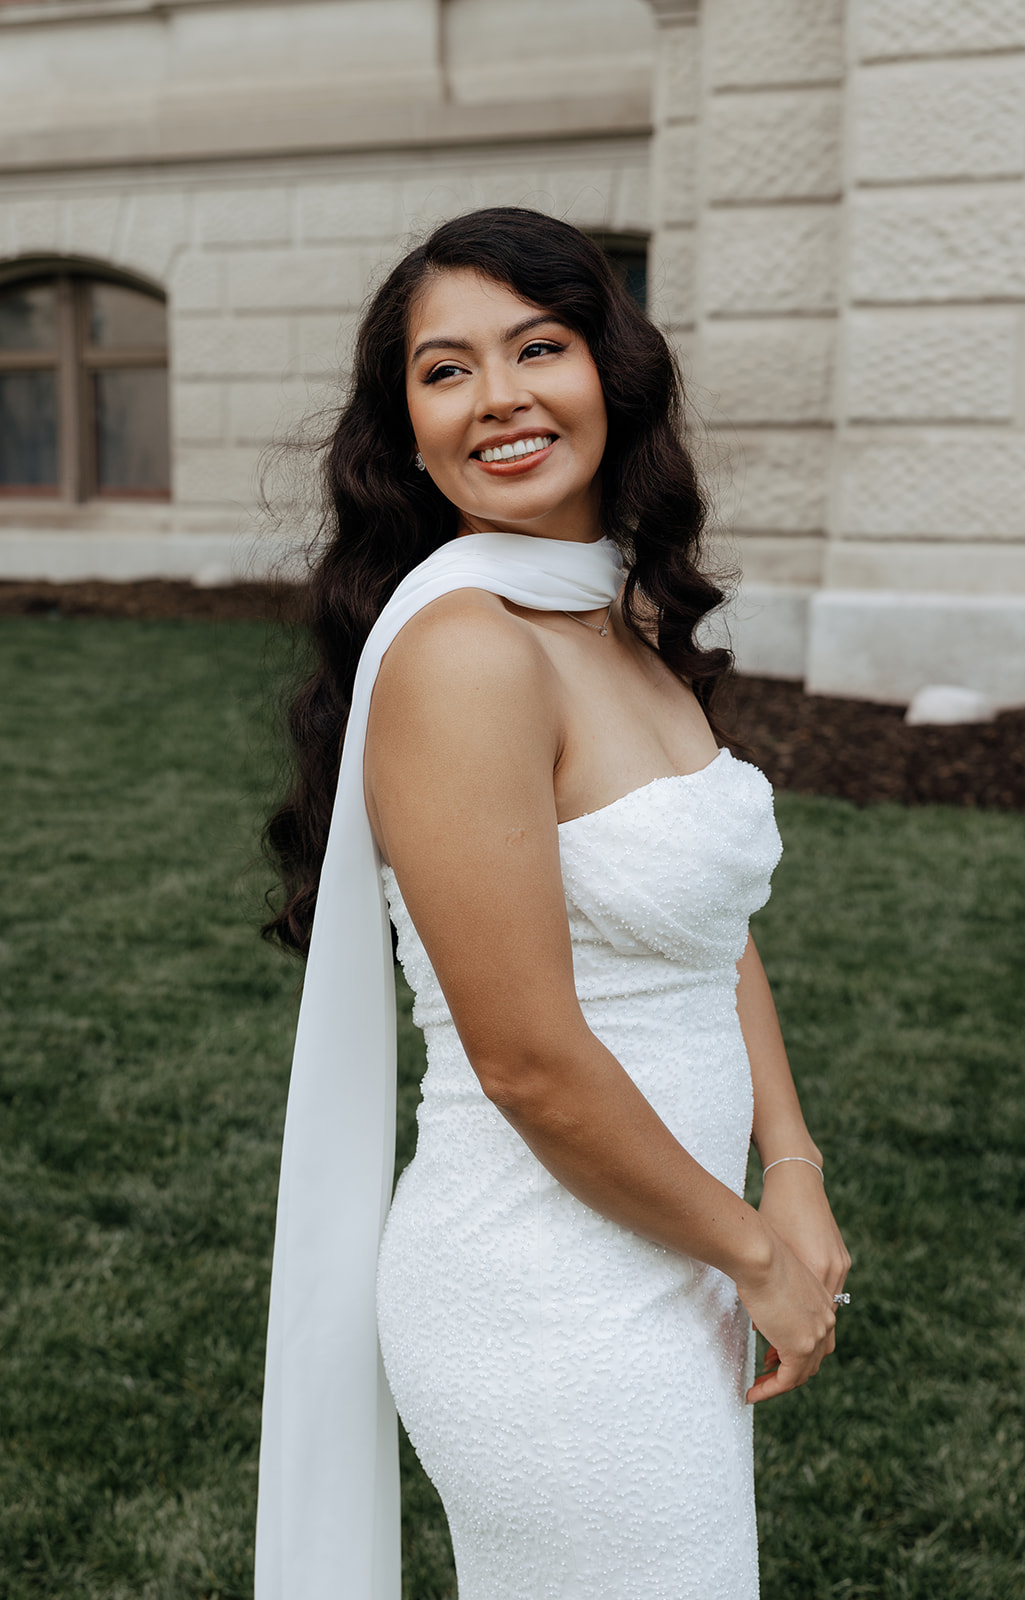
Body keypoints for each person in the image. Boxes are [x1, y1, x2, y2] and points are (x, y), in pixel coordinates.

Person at [257, 207, 851, 1600]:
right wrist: (756, 1250)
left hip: (677, 1247)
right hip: (548, 1300)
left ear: (612, 375)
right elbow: (527, 1057)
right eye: (446, 370)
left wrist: (796, 1167)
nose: (501, 396)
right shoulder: (468, 650)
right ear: (406, 429)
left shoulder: (613, 617)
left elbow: (708, 929)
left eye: (540, 346)